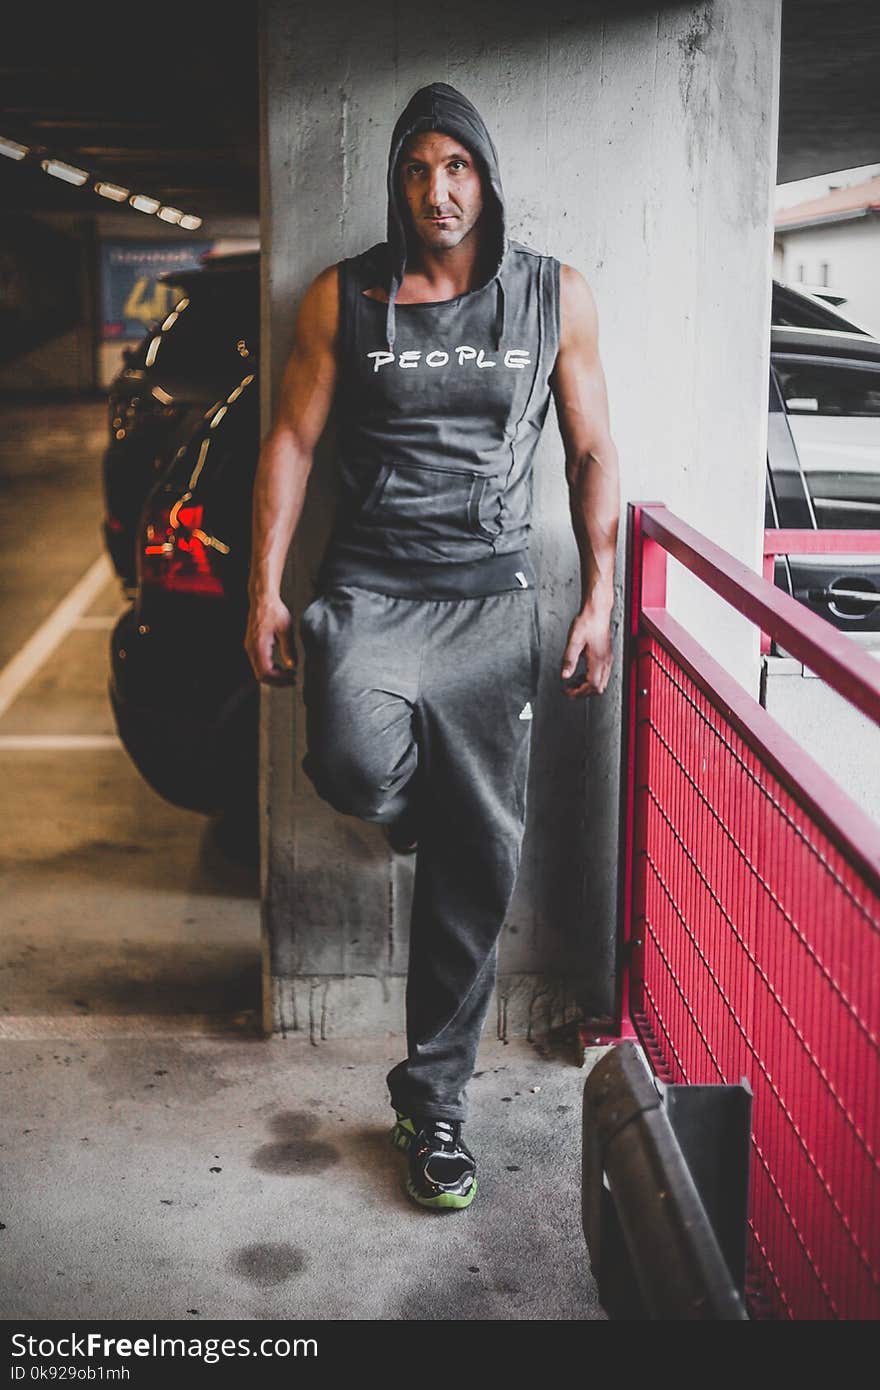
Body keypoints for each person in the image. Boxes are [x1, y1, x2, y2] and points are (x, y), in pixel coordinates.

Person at [245, 81, 619, 1212]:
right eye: (415, 168)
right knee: (355, 761)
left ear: (486, 177)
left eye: (456, 168)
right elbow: (293, 439)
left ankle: (436, 1105)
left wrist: (598, 593)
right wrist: (262, 589)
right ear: (395, 180)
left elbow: (593, 447)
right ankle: (410, 805)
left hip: (494, 605)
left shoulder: (553, 295)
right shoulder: (343, 297)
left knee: (480, 862)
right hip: (369, 588)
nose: (436, 190)